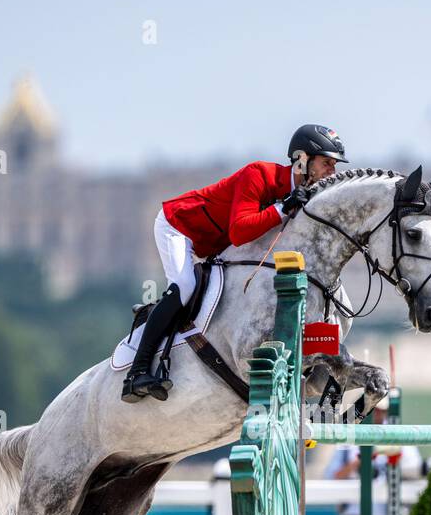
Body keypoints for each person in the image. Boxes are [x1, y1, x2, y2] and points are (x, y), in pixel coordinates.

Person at [122, 124, 349, 403]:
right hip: (179, 226)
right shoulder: (260, 175)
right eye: (326, 163)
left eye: (334, 165)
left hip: (214, 245)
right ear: (302, 159)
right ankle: (137, 371)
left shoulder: (303, 197)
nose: (332, 172)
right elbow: (240, 232)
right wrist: (282, 208)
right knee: (184, 285)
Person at [323, 400, 424, 515]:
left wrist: (391, 458)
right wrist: (361, 460)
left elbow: (416, 471)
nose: (376, 413)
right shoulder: (349, 435)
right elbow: (331, 476)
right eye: (373, 409)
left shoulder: (399, 434)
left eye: (380, 409)